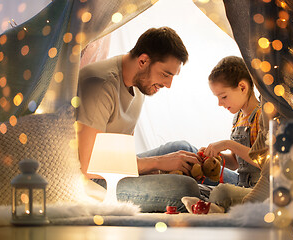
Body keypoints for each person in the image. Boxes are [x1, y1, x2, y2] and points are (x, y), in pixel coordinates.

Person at [76, 27, 202, 212]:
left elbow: (124, 152)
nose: (168, 85)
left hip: (112, 165)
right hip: (92, 180)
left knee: (183, 151)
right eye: (165, 74)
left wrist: (153, 167)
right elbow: (87, 166)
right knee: (184, 188)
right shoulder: (100, 83)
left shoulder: (139, 86)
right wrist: (157, 163)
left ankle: (246, 187)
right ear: (143, 61)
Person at [200, 56, 262, 188]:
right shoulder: (238, 118)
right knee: (202, 189)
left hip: (259, 189)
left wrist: (228, 144)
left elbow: (263, 161)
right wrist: (215, 157)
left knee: (221, 193)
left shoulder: (261, 116)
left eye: (223, 97)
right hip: (242, 185)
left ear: (242, 87)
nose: (219, 103)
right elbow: (235, 163)